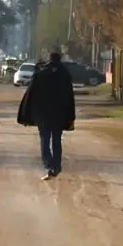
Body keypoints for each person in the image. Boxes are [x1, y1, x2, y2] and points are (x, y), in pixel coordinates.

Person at [16, 52, 76, 180]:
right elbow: (69, 97)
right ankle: (57, 166)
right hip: (58, 113)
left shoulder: (41, 73)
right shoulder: (64, 73)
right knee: (56, 140)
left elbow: (30, 93)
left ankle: (49, 166)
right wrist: (70, 116)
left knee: (44, 139)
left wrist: (26, 113)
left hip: (42, 113)